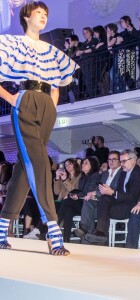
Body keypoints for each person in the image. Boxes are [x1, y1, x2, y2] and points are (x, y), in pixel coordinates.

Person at [0, 1, 78, 255]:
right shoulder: (13, 43)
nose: (43, 17)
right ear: (26, 16)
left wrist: (53, 107)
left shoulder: (49, 49)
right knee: (41, 162)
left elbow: (56, 84)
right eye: (39, 13)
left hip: (46, 106)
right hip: (26, 99)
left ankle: (1, 228)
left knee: (24, 168)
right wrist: (12, 98)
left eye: (46, 14)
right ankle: (53, 230)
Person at [85, 149, 140, 243]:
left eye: (124, 161)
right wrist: (108, 192)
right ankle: (100, 232)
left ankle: (101, 237)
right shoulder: (124, 172)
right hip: (121, 202)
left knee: (104, 210)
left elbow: (132, 197)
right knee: (104, 198)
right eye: (121, 161)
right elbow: (119, 191)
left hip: (133, 205)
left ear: (133, 160)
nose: (121, 164)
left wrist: (112, 193)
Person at [74, 151, 122, 241]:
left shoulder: (122, 173)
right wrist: (93, 194)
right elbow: (99, 188)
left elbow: (113, 189)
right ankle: (84, 228)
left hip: (114, 202)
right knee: (88, 200)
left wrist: (96, 193)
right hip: (102, 201)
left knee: (93, 206)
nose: (111, 161)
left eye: (114, 159)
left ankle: (90, 235)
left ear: (120, 161)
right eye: (109, 159)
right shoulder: (105, 174)